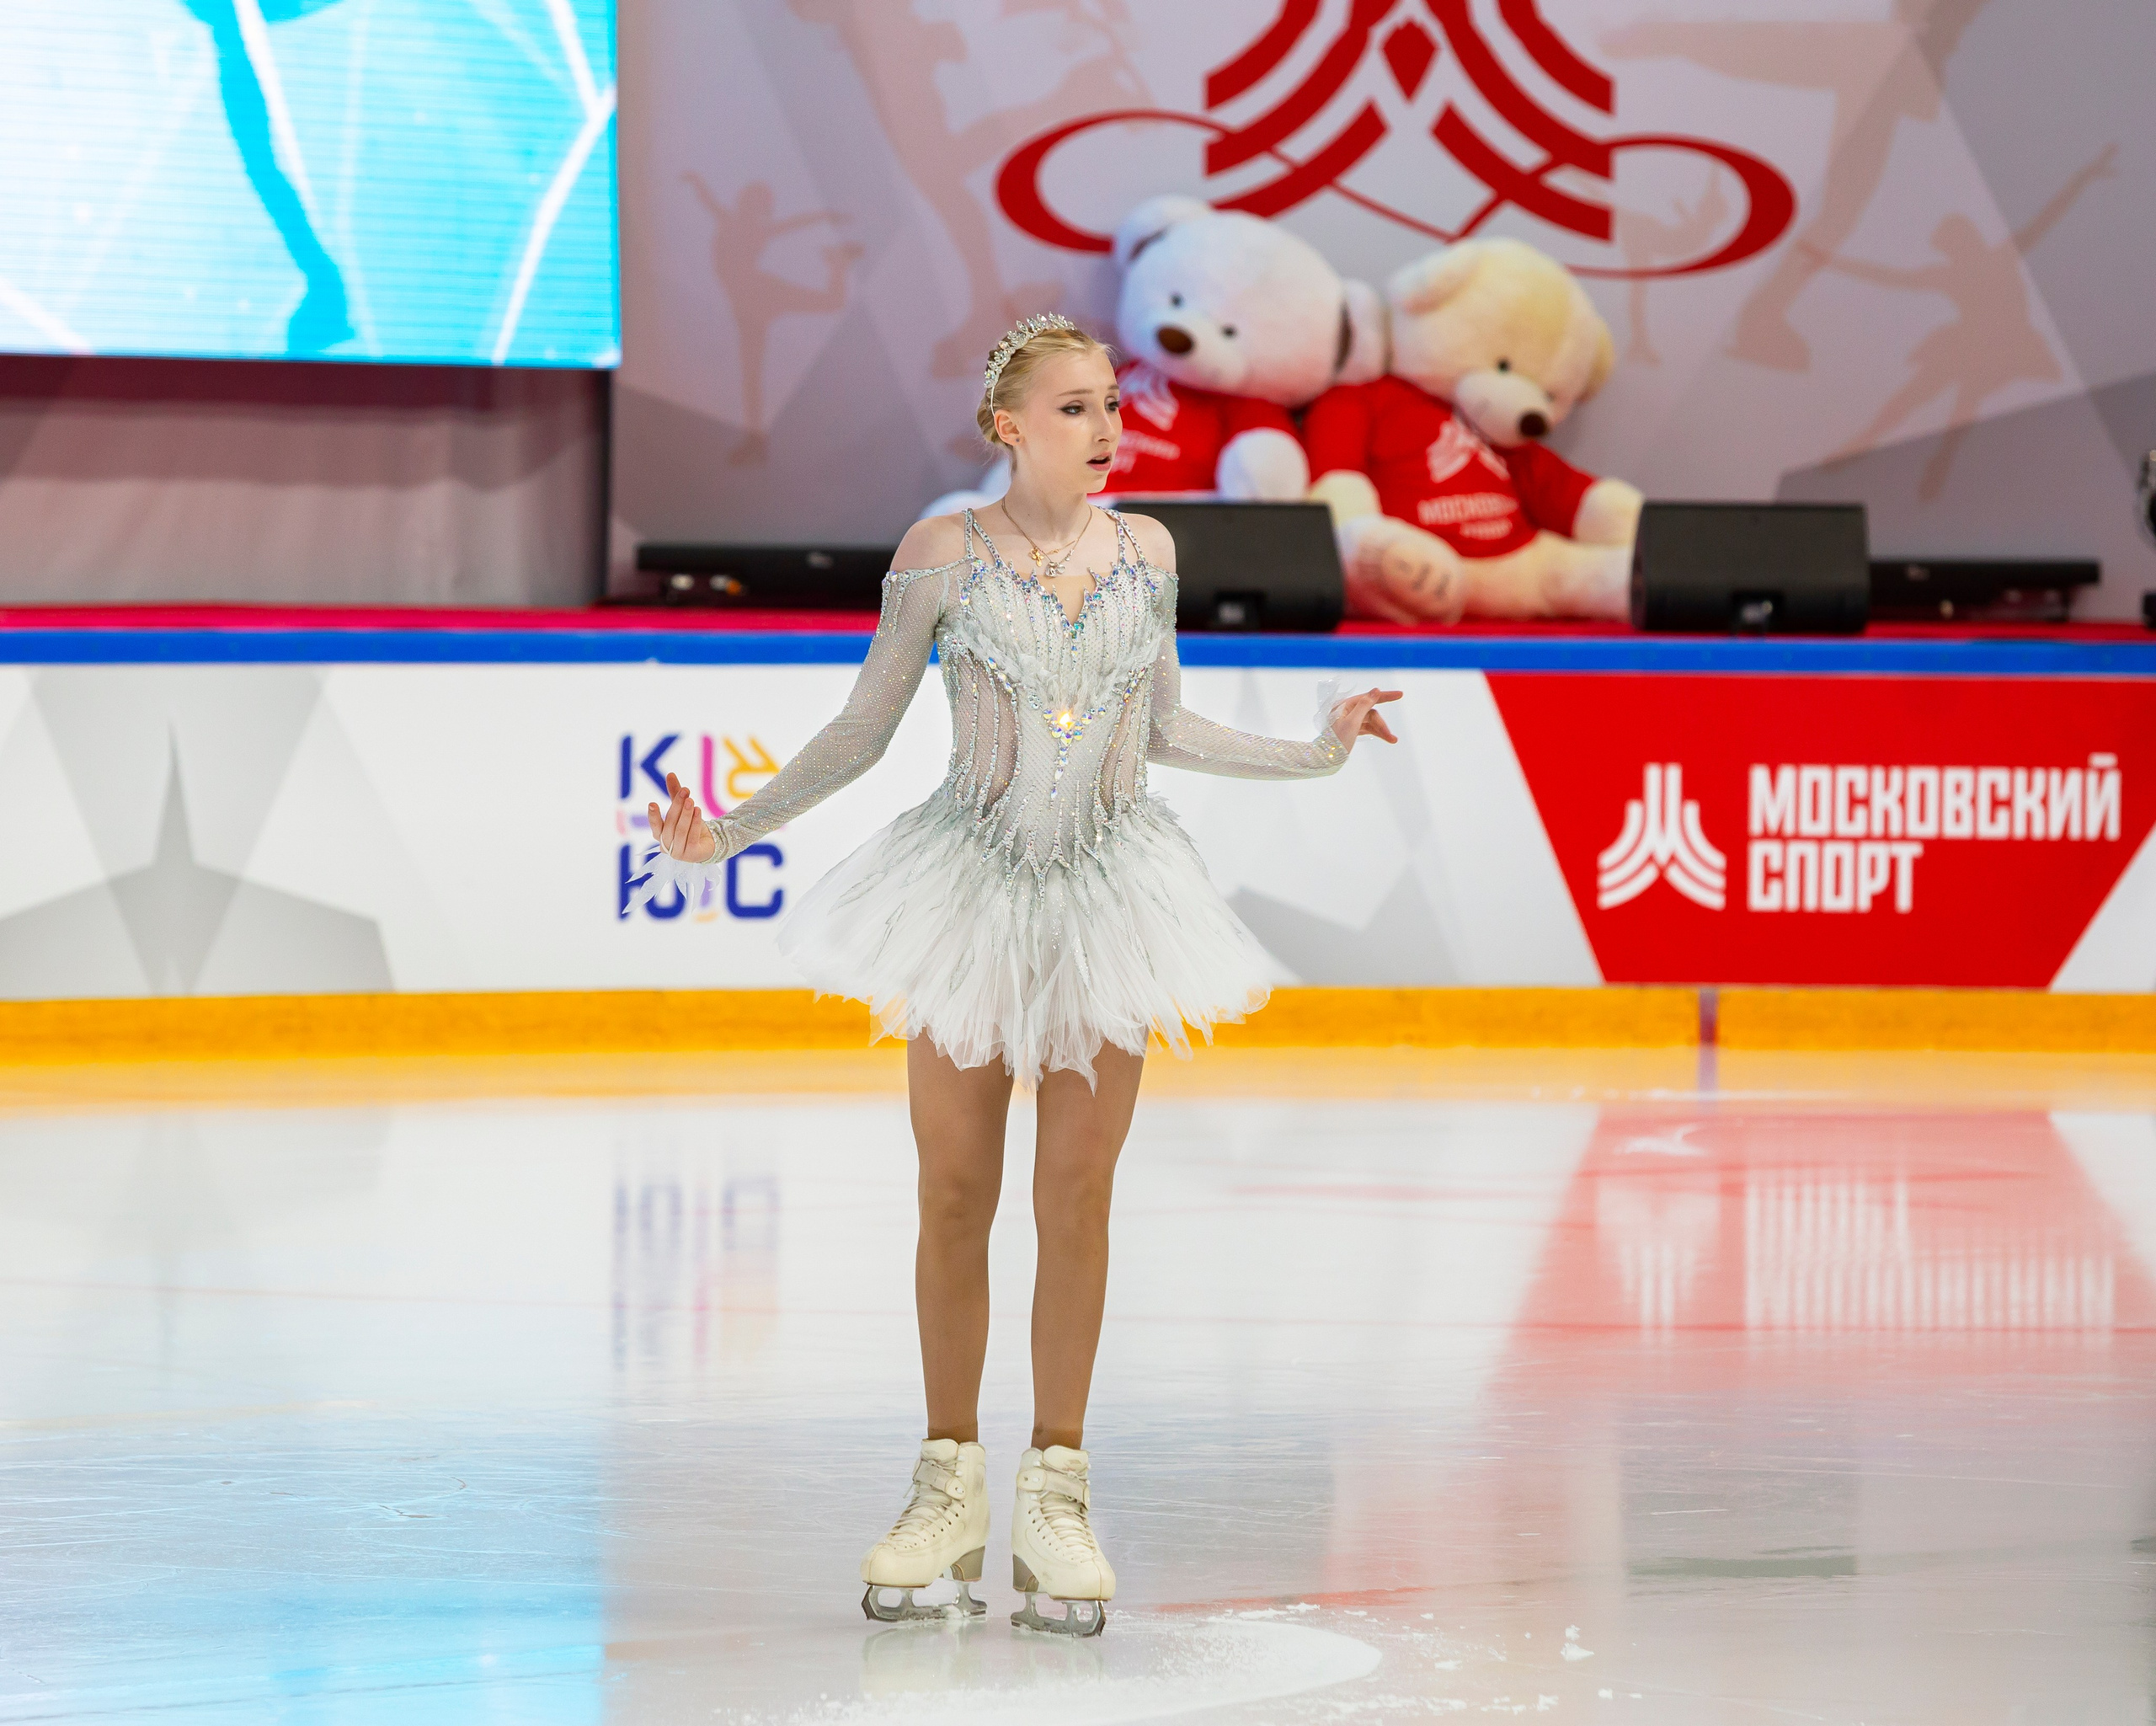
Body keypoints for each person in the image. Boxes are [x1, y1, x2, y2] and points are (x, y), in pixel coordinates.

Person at [639, 314, 1401, 1637]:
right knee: (953, 1190)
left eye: (1111, 404)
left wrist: (1317, 751)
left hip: (1109, 894)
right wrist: (731, 832)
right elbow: (863, 727)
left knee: (1077, 1196)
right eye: (1073, 407)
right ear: (1008, 426)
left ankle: (1058, 1490)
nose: (1107, 427)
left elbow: (1165, 725)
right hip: (970, 889)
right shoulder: (941, 554)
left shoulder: (1149, 552)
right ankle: (947, 1481)